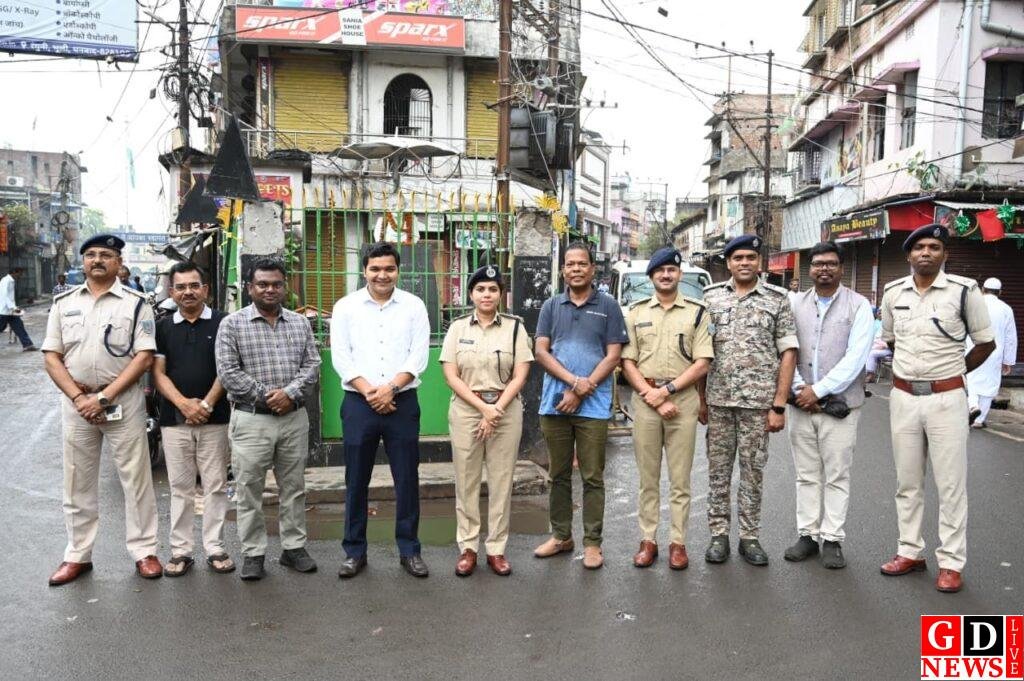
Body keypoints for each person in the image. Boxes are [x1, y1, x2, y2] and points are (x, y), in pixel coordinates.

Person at [879, 224, 995, 593]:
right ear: (909, 255)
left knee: (950, 485)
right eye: (919, 248)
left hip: (947, 399)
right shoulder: (892, 292)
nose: (926, 253)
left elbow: (985, 343)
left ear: (945, 254)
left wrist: (952, 373)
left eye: (934, 247)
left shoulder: (964, 291)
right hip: (903, 397)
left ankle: (951, 562)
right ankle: (910, 551)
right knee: (907, 482)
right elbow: (893, 340)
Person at [41, 234, 162, 585]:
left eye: (106, 255)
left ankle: (144, 551)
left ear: (118, 263)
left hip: (121, 402)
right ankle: (77, 554)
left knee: (136, 480)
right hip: (77, 405)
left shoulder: (137, 303)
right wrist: (80, 399)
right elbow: (52, 357)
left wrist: (104, 397)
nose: (97, 260)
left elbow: (143, 357)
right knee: (77, 480)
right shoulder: (63, 304)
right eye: (91, 255)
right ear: (83, 263)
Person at [215, 258, 321, 581]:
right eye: (262, 284)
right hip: (251, 420)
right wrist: (266, 396)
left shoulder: (300, 324)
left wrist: (289, 394)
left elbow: (313, 365)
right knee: (249, 489)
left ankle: (293, 548)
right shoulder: (232, 325)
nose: (270, 290)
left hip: (293, 417)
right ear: (250, 288)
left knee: (294, 487)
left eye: (276, 284)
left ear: (284, 287)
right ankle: (253, 553)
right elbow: (229, 373)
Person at [330, 242, 431, 579]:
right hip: (359, 403)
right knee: (356, 479)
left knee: (407, 479)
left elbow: (419, 356)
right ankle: (354, 551)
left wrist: (390, 389)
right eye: (375, 269)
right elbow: (340, 356)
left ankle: (409, 549)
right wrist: (371, 391)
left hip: (402, 402)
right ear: (364, 271)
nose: (382, 275)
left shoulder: (414, 306)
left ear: (397, 270)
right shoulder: (346, 307)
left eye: (389, 268)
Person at [700, 234, 798, 566]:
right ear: (728, 262)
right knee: (718, 471)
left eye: (750, 258)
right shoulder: (710, 298)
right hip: (719, 401)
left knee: (753, 472)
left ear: (760, 263)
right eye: (738, 258)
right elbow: (702, 354)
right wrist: (701, 400)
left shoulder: (777, 299)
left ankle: (750, 537)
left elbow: (788, 353)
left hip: (758, 404)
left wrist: (779, 405)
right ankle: (718, 535)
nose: (744, 263)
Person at [532, 242, 628, 570]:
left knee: (592, 476)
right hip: (554, 404)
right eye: (570, 264)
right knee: (557, 475)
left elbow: (613, 354)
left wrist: (584, 389)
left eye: (581, 264)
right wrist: (574, 383)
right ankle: (561, 536)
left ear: (591, 269)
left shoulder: (609, 306)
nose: (575, 269)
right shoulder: (550, 306)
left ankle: (592, 543)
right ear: (563, 270)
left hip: (594, 407)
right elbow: (541, 352)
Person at [620, 247, 713, 570]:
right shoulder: (635, 312)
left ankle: (678, 543)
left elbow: (703, 362)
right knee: (647, 478)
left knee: (680, 479)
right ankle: (648, 540)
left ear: (679, 274)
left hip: (682, 398)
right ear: (651, 277)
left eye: (671, 270)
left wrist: (668, 391)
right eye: (659, 271)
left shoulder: (698, 312)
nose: (666, 275)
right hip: (646, 399)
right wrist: (650, 393)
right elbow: (626, 361)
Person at [784, 242, 873, 569]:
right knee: (806, 474)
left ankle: (832, 538)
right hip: (800, 404)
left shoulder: (859, 305)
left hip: (840, 406)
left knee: (837, 474)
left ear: (841, 268)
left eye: (831, 264)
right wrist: (797, 389)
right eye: (819, 263)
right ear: (809, 268)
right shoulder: (794, 305)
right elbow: (786, 350)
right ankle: (807, 535)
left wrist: (817, 391)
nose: (825, 269)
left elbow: (856, 358)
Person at [440, 265, 533, 577]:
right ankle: (468, 547)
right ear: (471, 294)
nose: (487, 294)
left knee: (501, 481)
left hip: (505, 410)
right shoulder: (457, 329)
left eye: (493, 289)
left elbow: (521, 373)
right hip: (467, 409)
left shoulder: (515, 328)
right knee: (466, 480)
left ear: (501, 294)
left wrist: (496, 410)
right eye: (480, 289)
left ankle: (496, 548)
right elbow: (451, 375)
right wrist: (483, 408)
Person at [153, 262, 234, 576]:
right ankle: (181, 551)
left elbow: (227, 368)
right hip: (175, 420)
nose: (188, 292)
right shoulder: (162, 326)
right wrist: (184, 404)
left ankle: (215, 548)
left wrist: (208, 404)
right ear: (172, 291)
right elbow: (157, 373)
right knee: (180, 487)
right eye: (181, 287)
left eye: (194, 286)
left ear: (206, 289)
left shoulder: (224, 323)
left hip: (216, 418)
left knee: (215, 485)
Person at [966, 278, 1017, 429]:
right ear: (1000, 292)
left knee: (971, 380)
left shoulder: (973, 305)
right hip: (994, 352)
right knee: (989, 385)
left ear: (982, 290)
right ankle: (979, 420)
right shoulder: (1006, 309)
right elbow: (1010, 337)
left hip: (972, 349)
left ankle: (973, 406)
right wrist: (1008, 361)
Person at [0, 267, 38, 351]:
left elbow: (10, 297)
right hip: (4, 311)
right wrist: (13, 307)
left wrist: (14, 307)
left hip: (11, 311)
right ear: (14, 272)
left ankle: (28, 345)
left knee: (19, 327)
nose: (21, 275)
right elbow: (4, 295)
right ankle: (28, 345)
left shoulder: (11, 281)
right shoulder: (5, 281)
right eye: (20, 273)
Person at [864, 307, 892, 383]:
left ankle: (870, 375)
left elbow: (891, 340)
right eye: (879, 312)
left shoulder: (891, 324)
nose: (880, 314)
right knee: (866, 351)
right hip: (880, 347)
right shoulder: (878, 323)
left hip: (890, 349)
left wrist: (884, 345)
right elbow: (876, 337)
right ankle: (868, 373)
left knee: (872, 354)